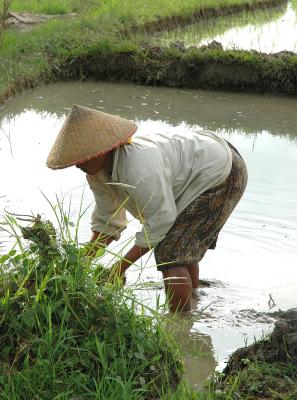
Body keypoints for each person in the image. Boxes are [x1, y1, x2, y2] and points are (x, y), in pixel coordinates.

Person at [46, 104, 248, 313]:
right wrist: (78, 264)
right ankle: (193, 301)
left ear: (104, 149)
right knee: (182, 245)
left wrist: (120, 267)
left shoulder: (139, 168)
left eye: (85, 156)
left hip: (221, 172)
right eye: (77, 159)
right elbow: (108, 221)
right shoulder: (96, 174)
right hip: (205, 162)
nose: (79, 163)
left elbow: (160, 221)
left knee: (171, 251)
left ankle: (181, 326)